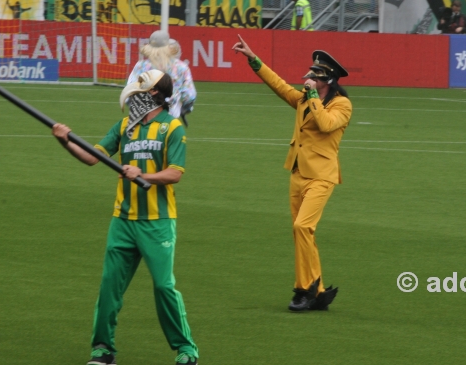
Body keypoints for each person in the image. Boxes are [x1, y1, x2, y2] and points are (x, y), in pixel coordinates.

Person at [51, 70, 198, 365]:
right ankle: (103, 348)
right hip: (123, 220)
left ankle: (186, 349)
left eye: (140, 89)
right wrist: (65, 140)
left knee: (163, 286)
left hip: (158, 222)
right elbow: (94, 157)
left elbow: (175, 174)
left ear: (154, 94)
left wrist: (142, 174)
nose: (133, 94)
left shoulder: (173, 128)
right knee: (109, 286)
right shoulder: (124, 127)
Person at [231, 38, 351, 312]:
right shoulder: (303, 98)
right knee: (301, 234)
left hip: (322, 175)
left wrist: (311, 98)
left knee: (303, 227)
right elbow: (279, 85)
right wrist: (253, 58)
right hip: (298, 173)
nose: (308, 78)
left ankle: (305, 290)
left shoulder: (342, 105)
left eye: (315, 76)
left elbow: (325, 124)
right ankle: (315, 291)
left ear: (327, 80)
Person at [127, 30, 196, 122]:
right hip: (170, 118)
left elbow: (130, 92)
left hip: (145, 117)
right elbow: (189, 95)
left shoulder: (141, 66)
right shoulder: (181, 67)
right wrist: (185, 109)